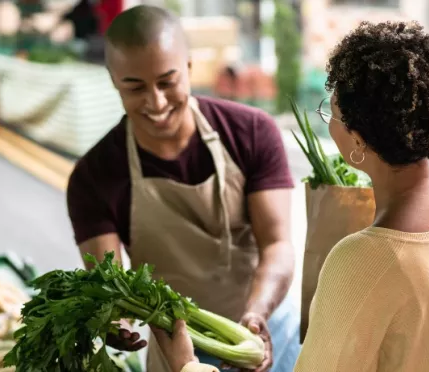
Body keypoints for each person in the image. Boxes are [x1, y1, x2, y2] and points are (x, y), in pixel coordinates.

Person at [152, 21, 429, 372]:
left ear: (358, 143)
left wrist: (187, 365)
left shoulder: (361, 261)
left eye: (333, 111)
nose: (328, 120)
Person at [65, 5, 301, 372]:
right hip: (177, 353)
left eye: (167, 82)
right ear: (113, 80)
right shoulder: (93, 176)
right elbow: (108, 284)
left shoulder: (252, 132)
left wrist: (256, 314)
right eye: (135, 87)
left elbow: (277, 244)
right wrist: (118, 325)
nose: (156, 102)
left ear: (189, 68)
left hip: (264, 332)